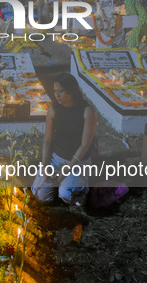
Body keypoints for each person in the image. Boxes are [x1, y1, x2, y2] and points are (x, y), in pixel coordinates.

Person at [32, 73, 97, 206]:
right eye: (55, 91)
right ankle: (63, 184)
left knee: (67, 195)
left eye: (61, 91)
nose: (57, 95)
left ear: (72, 91)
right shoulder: (53, 110)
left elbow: (85, 145)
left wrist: (66, 170)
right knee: (40, 195)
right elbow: (48, 141)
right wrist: (44, 166)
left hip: (77, 162)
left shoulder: (87, 112)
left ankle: (80, 187)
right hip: (57, 159)